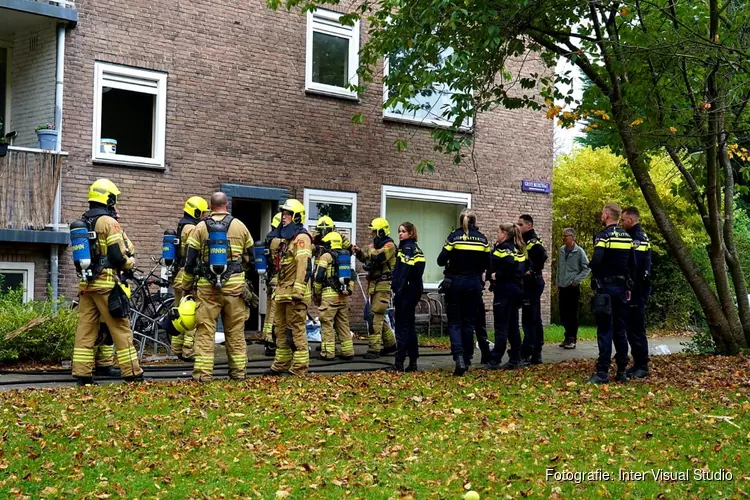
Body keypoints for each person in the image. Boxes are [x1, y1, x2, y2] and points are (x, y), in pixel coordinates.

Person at [71, 179, 143, 386]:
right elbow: (117, 256)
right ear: (108, 198)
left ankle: (82, 374)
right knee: (120, 328)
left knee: (85, 329)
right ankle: (132, 373)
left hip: (87, 286)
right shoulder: (108, 223)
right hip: (106, 284)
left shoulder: (84, 222)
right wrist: (130, 263)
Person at [184, 192, 254, 382]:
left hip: (208, 289)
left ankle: (203, 376)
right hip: (235, 290)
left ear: (210, 206)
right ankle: (239, 373)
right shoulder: (240, 226)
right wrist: (241, 274)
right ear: (226, 205)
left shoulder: (199, 227)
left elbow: (190, 260)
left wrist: (186, 285)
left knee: (205, 332)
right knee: (236, 332)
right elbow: (251, 257)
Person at [437, 209, 491, 376]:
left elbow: (440, 260)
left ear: (461, 221)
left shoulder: (454, 237)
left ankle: (459, 357)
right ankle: (467, 358)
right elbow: (489, 263)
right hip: (474, 284)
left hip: (455, 283)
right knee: (469, 324)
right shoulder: (482, 239)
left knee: (454, 323)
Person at [265, 199, 314, 376]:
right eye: (283, 214)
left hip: (294, 293)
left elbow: (303, 265)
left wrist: (298, 292)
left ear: (296, 217)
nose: (283, 217)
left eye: (287, 214)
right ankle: (281, 363)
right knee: (279, 329)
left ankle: (299, 368)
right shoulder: (286, 239)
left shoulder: (301, 238)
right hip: (282, 291)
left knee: (296, 329)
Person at [587, 203, 634, 384]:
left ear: (607, 215)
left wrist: (590, 267)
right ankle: (621, 370)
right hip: (622, 289)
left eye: (602, 213)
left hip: (605, 289)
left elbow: (597, 260)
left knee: (605, 330)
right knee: (620, 330)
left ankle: (602, 372)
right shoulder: (627, 237)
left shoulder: (603, 237)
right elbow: (633, 264)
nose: (601, 216)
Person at [170, 196, 210, 361]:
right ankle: (188, 351)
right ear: (197, 211)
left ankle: (176, 348)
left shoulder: (181, 226)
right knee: (191, 314)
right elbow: (192, 255)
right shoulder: (192, 229)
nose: (204, 217)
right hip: (188, 275)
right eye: (202, 213)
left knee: (179, 312)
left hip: (178, 274)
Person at [352, 218, 398, 359]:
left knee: (375, 316)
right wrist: (359, 252)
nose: (371, 234)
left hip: (384, 285)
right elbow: (369, 261)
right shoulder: (377, 247)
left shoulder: (389, 246)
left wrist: (370, 248)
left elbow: (378, 258)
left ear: (381, 232)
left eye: (373, 231)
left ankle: (374, 349)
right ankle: (391, 345)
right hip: (375, 284)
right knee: (379, 316)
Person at [486, 223, 528, 370]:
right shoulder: (518, 249)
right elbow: (525, 266)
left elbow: (509, 264)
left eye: (498, 232)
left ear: (504, 234)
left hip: (504, 291)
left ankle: (495, 359)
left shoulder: (504, 249)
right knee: (513, 327)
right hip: (516, 291)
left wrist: (497, 275)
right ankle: (515, 358)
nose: (497, 234)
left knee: (501, 327)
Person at [313, 231, 355, 360]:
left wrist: (317, 292)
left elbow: (319, 276)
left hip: (329, 296)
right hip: (343, 297)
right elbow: (352, 275)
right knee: (343, 324)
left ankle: (328, 353)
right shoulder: (345, 257)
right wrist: (349, 290)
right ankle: (348, 352)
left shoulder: (326, 256)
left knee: (327, 323)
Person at [621, 207, 651, 379]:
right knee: (631, 328)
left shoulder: (637, 238)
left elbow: (635, 265)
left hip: (637, 289)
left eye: (624, 220)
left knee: (636, 328)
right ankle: (637, 363)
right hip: (635, 289)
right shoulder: (637, 236)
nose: (622, 224)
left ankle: (642, 365)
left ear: (631, 220)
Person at [391, 222, 425, 372]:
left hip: (405, 292)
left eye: (403, 231)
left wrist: (397, 289)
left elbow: (404, 272)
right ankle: (413, 361)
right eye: (399, 231)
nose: (400, 234)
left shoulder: (406, 249)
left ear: (411, 233)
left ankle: (399, 361)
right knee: (410, 326)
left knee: (402, 326)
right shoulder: (417, 249)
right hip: (414, 290)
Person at [517, 214, 548, 365]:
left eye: (521, 224)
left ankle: (528, 352)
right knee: (535, 318)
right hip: (533, 282)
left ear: (529, 226)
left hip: (532, 283)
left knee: (529, 319)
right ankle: (536, 352)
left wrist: (532, 271)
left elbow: (542, 254)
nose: (518, 226)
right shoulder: (526, 240)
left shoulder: (532, 240)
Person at [556, 228, 591, 349]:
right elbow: (559, 268)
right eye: (563, 235)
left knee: (572, 313)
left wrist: (576, 281)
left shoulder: (579, 251)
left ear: (572, 237)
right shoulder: (561, 250)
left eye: (566, 236)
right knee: (563, 313)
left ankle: (572, 338)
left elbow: (587, 268)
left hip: (572, 287)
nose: (564, 238)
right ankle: (567, 337)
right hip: (563, 286)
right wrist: (558, 282)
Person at [261, 213, 282, 357]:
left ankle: (268, 338)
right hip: (278, 279)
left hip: (270, 279)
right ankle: (272, 343)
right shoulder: (279, 241)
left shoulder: (269, 238)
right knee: (275, 312)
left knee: (269, 311)